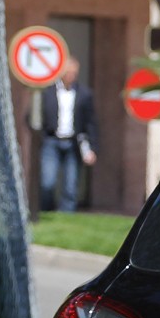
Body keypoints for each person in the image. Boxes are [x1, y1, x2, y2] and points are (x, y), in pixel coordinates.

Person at [38, 60, 96, 212]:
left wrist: (91, 148)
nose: (71, 76)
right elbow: (37, 116)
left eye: (74, 73)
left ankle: (66, 216)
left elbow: (90, 123)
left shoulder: (84, 94)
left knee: (71, 185)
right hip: (51, 141)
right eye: (68, 72)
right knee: (47, 182)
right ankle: (47, 211)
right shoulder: (47, 92)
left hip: (74, 143)